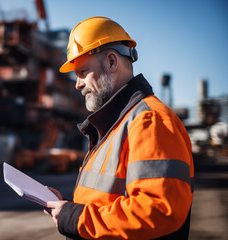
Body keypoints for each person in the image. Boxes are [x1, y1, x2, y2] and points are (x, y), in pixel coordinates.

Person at [44, 16, 194, 240]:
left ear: (112, 62)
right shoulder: (117, 125)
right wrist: (69, 208)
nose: (77, 84)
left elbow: (158, 211)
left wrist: (77, 219)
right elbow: (109, 199)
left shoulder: (150, 121)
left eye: (83, 72)